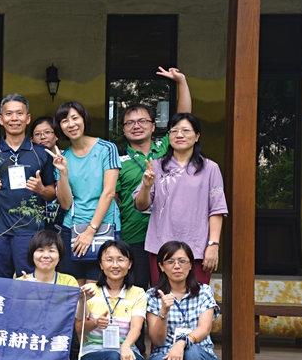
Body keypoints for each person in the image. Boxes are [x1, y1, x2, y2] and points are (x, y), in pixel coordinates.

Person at [116, 67, 192, 288]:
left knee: (169, 291)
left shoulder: (166, 148)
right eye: (130, 123)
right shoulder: (117, 161)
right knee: (137, 291)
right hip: (134, 236)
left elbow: (183, 119)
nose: (136, 126)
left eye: (142, 121)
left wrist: (181, 82)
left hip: (169, 233)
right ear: (123, 130)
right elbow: (115, 198)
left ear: (153, 125)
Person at [74, 239, 156, 360]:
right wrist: (95, 323)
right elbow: (78, 329)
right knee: (111, 357)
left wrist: (126, 346)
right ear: (101, 264)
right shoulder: (90, 290)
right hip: (93, 355)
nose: (115, 265)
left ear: (130, 264)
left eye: (121, 259)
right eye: (109, 260)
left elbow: (137, 327)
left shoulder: (138, 293)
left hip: (125, 351)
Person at [134, 113, 227, 286]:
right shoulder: (157, 166)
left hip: (197, 247)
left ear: (197, 136)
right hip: (161, 246)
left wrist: (213, 244)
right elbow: (140, 206)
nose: (179, 135)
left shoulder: (210, 168)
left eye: (185, 130)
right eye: (174, 130)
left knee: (196, 297)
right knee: (162, 297)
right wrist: (146, 186)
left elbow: (216, 209)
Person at [11, 229, 86, 360]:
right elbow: (11, 318)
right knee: (22, 351)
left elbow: (78, 317)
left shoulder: (68, 281)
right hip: (27, 340)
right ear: (32, 254)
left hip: (55, 339)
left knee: (56, 350)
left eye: (51, 250)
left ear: (59, 255)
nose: (46, 255)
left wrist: (81, 300)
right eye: (40, 250)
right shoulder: (20, 281)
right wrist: (24, 293)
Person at [0, 95, 56, 279]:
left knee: (30, 283)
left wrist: (41, 190)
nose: (14, 118)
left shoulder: (41, 153)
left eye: (19, 113)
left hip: (31, 231)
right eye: (9, 114)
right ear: (1, 119)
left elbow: (52, 193)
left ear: (27, 118)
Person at [146, 241, 221, 360]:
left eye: (182, 261)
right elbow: (157, 340)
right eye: (170, 262)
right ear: (161, 266)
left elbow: (205, 328)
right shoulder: (153, 296)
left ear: (191, 265)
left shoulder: (204, 291)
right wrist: (164, 311)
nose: (177, 266)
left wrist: (182, 343)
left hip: (202, 359)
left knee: (193, 352)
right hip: (163, 356)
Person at [48, 101, 121, 284]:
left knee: (97, 290)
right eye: (64, 121)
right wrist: (63, 172)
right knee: (75, 290)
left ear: (84, 119)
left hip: (104, 227)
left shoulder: (107, 148)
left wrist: (90, 231)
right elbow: (65, 203)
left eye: (75, 118)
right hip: (72, 228)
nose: (71, 124)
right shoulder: (62, 157)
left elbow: (109, 193)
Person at [30, 116, 62, 230]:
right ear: (31, 140)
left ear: (56, 135)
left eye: (47, 132)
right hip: (37, 220)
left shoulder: (67, 158)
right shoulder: (29, 162)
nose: (43, 137)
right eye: (37, 134)